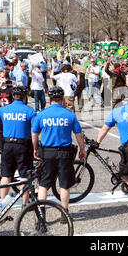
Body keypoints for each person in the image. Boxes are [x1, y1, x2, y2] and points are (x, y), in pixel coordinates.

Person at [31, 87, 86, 222]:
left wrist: (35, 149)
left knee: (43, 184)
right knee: (64, 185)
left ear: (50, 99)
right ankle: (64, 214)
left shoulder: (42, 114)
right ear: (62, 99)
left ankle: (42, 216)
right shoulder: (70, 114)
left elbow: (34, 134)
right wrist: (82, 149)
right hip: (64, 153)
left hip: (47, 153)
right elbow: (79, 135)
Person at [0, 86, 37, 207]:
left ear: (13, 97)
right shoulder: (30, 111)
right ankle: (25, 203)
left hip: (8, 144)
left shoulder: (4, 109)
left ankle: (2, 202)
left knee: (6, 174)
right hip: (23, 145)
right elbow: (35, 131)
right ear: (24, 97)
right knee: (24, 175)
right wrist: (35, 147)